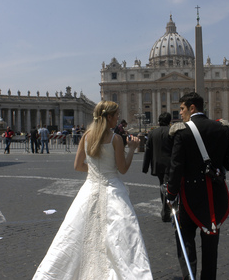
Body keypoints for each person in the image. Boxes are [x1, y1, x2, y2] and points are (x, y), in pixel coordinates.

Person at [33, 101, 153, 280]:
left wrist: (97, 170)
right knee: (121, 238)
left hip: (89, 189)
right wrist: (132, 149)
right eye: (117, 115)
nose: (118, 118)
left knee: (74, 235)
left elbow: (78, 166)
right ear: (109, 117)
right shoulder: (115, 139)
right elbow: (123, 168)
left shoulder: (86, 136)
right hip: (112, 189)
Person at [166, 92, 229, 280]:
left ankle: (190, 276)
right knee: (211, 243)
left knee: (185, 239)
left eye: (182, 109)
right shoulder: (221, 129)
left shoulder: (183, 132)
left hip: (190, 196)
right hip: (215, 196)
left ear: (192, 108)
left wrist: (171, 194)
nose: (180, 114)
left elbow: (176, 167)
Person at [142, 112, 173, 222]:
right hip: (170, 165)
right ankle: (166, 211)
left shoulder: (152, 133)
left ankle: (165, 210)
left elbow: (148, 151)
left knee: (162, 186)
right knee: (169, 187)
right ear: (169, 121)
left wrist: (145, 167)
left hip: (157, 165)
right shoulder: (172, 132)